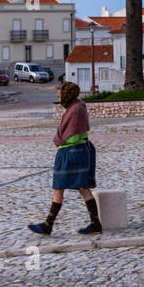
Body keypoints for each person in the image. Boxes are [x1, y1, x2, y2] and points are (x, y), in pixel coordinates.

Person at [28, 81, 100, 235]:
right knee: (82, 187)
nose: (59, 97)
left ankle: (48, 225)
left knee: (59, 188)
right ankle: (95, 224)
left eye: (60, 94)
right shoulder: (78, 106)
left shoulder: (74, 110)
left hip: (70, 153)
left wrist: (59, 140)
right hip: (79, 151)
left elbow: (69, 135)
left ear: (66, 94)